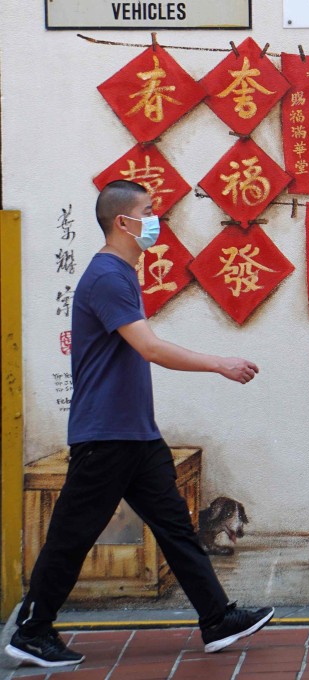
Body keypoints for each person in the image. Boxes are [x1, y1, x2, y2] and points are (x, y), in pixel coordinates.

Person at [5, 180, 274, 668]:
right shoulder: (107, 275)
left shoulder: (122, 273)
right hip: (105, 434)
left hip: (135, 433)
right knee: (73, 534)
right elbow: (149, 348)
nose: (157, 220)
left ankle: (216, 619)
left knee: (175, 528)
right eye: (149, 212)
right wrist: (220, 363)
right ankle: (32, 630)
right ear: (122, 222)